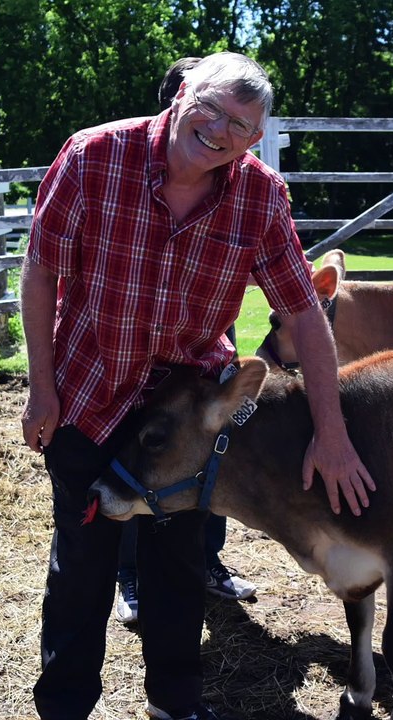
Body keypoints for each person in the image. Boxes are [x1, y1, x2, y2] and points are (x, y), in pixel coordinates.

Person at [20, 51, 375, 720]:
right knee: (84, 569)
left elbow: (303, 311)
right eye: (210, 109)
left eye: (242, 125)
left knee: (178, 567)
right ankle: (65, 708)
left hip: (187, 412)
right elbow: (40, 272)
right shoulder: (95, 156)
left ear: (257, 138)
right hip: (90, 394)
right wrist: (42, 389)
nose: (220, 132)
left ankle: (175, 705)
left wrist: (333, 434)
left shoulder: (260, 195)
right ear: (183, 91)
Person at [113, 56, 257, 628]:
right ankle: (131, 577)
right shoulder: (129, 170)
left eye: (232, 118)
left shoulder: (235, 185)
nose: (217, 127)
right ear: (174, 101)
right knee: (136, 460)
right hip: (135, 364)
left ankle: (208, 561)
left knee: (210, 451)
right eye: (200, 103)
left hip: (202, 351)